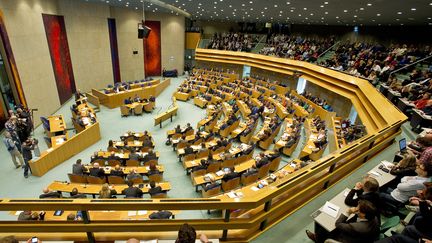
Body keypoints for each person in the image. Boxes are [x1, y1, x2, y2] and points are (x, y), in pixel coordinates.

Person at [306, 200, 380, 243]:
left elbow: (338, 224)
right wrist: (357, 213)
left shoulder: (356, 227)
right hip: (362, 239)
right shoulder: (374, 217)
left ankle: (318, 239)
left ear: (363, 214)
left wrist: (348, 212)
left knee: (321, 224)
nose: (356, 208)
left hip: (345, 239)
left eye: (358, 208)